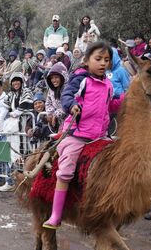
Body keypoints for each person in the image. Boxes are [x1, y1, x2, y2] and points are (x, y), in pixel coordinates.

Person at [43, 42, 124, 229]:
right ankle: (56, 215)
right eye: (98, 59)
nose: (103, 63)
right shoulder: (80, 79)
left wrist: (125, 101)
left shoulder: (109, 85)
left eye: (107, 60)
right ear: (86, 61)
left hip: (100, 136)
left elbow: (109, 106)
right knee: (66, 170)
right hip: (77, 134)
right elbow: (66, 96)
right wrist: (71, 105)